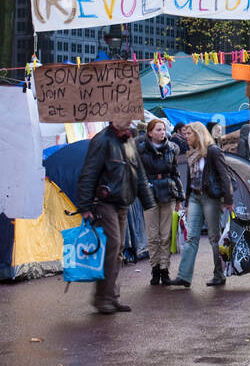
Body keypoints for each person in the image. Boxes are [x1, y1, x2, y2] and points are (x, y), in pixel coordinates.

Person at [75, 118, 155, 314]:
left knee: (118, 248)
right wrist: (85, 205)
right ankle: (102, 298)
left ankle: (111, 296)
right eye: (124, 116)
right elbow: (89, 173)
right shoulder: (102, 140)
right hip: (104, 202)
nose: (129, 121)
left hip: (122, 202)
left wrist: (148, 201)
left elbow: (139, 173)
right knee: (113, 246)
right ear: (113, 117)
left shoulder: (128, 140)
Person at [168, 121, 235, 288]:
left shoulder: (212, 151)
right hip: (195, 197)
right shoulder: (191, 152)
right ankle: (184, 276)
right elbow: (191, 178)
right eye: (185, 134)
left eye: (189, 134)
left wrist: (228, 200)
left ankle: (219, 275)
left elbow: (224, 175)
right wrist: (187, 200)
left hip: (210, 197)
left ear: (198, 134)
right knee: (191, 237)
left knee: (214, 237)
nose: (186, 137)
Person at [136, 118, 183, 286]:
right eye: (158, 130)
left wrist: (180, 197)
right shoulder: (141, 151)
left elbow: (176, 173)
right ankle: (155, 269)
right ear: (149, 133)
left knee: (166, 235)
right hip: (149, 194)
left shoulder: (171, 149)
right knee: (152, 235)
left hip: (168, 193)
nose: (162, 132)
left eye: (163, 129)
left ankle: (165, 269)